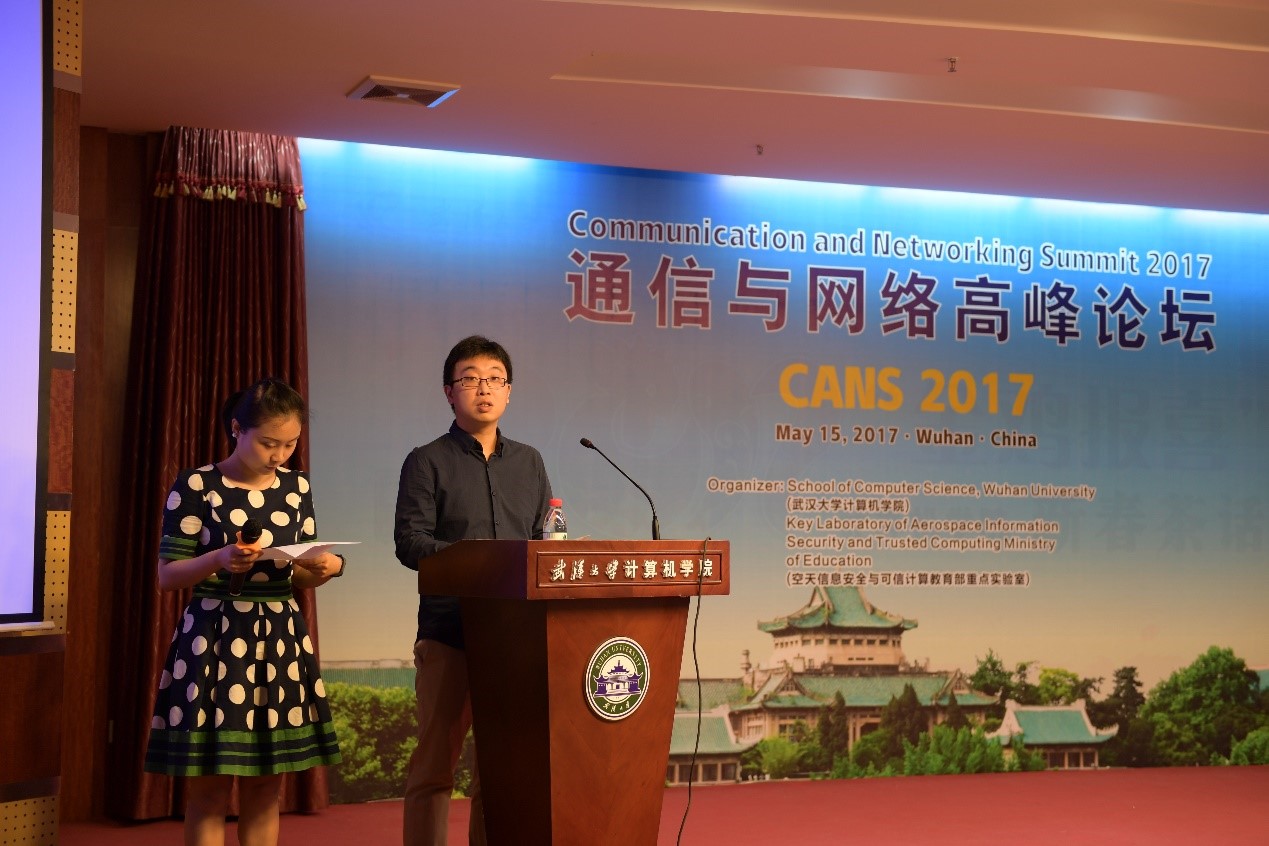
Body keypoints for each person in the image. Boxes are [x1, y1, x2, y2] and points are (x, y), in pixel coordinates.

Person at [144, 377, 344, 846]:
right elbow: (168, 576)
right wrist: (219, 558)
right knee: (209, 791)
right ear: (237, 429)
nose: (279, 456)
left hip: (280, 640)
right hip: (213, 638)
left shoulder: (296, 487)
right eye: (269, 443)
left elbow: (298, 574)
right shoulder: (197, 484)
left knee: (265, 790)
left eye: (290, 444)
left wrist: (326, 568)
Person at [394, 336, 553, 846]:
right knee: (434, 768)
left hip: (515, 637)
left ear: (509, 391)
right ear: (449, 391)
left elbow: (541, 541)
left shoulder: (530, 462)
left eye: (494, 379)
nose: (483, 389)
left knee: (501, 772)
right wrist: (480, 560)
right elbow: (410, 543)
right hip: (450, 632)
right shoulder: (426, 461)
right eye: (470, 379)